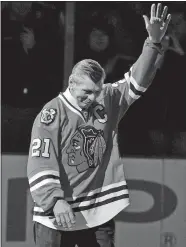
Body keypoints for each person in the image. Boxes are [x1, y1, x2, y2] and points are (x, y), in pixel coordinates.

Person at [27, 3, 171, 247]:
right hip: (57, 217)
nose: (92, 98)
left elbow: (137, 80)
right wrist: (54, 200)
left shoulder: (107, 99)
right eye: (86, 92)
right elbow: (40, 162)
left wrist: (153, 43)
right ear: (71, 84)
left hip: (97, 213)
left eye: (96, 91)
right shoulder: (51, 114)